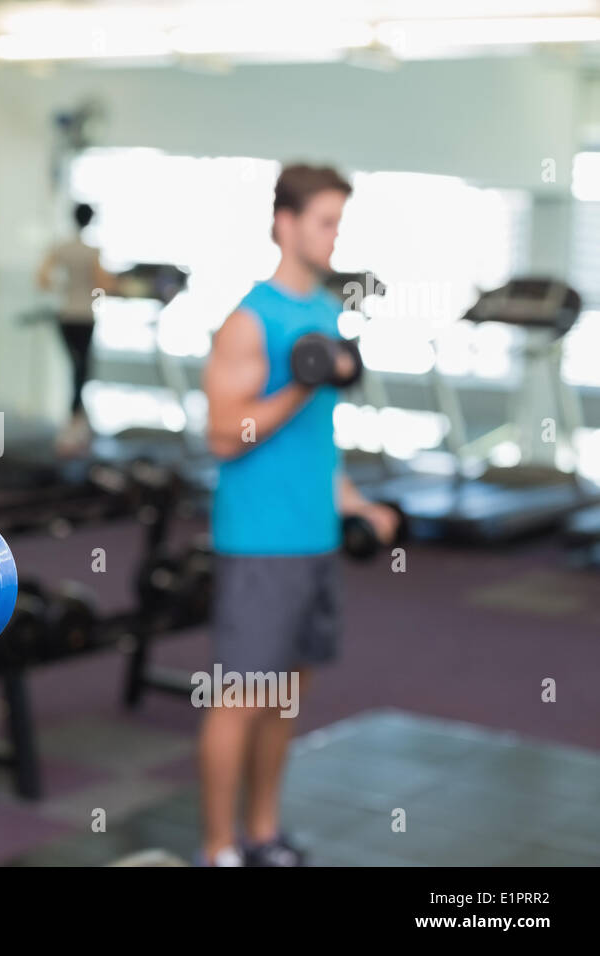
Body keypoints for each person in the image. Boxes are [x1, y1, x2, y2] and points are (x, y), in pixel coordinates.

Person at [199, 163, 400, 867]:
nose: (334, 236)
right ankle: (220, 848)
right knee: (242, 698)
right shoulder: (250, 320)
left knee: (285, 699)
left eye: (340, 222)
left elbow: (321, 444)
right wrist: (299, 387)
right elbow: (226, 434)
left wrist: (357, 505)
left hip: (314, 537)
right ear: (284, 222)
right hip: (259, 542)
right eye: (325, 221)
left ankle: (263, 833)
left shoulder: (322, 312)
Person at [35, 203, 119, 456]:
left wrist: (63, 288)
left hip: (66, 314)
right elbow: (104, 285)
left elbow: (42, 278)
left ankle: (77, 420)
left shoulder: (62, 248)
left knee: (76, 366)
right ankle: (74, 421)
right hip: (84, 315)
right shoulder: (91, 251)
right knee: (81, 368)